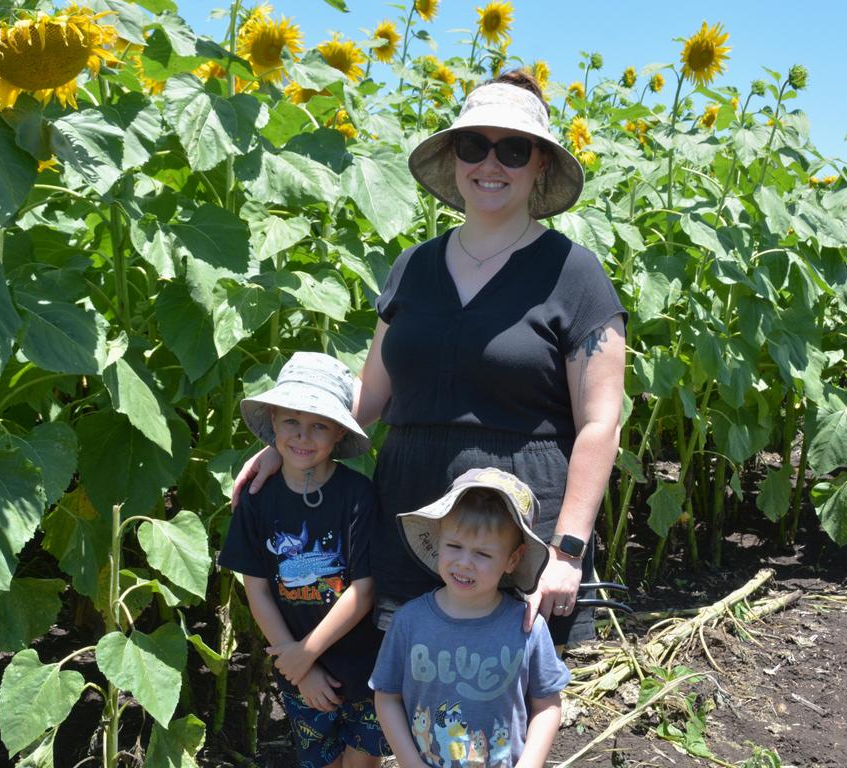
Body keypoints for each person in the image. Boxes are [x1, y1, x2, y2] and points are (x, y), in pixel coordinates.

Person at [234, 69, 627, 646]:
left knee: (506, 693)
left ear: (540, 163)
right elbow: (370, 396)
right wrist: (288, 445)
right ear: (454, 156)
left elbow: (600, 422)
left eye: (513, 150)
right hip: (413, 510)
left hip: (517, 520)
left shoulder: (575, 274)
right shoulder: (412, 268)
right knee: (411, 687)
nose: (490, 165)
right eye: (475, 146)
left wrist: (567, 548)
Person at [218, 352, 389, 768]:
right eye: (292, 421)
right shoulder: (257, 499)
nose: (302, 436)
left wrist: (307, 651)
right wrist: (296, 663)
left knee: (362, 760)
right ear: (273, 422)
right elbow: (255, 586)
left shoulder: (357, 495)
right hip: (295, 662)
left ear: (337, 436)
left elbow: (364, 590)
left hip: (361, 660)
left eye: (319, 426)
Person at [370, 467, 571, 768]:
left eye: (483, 554)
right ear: (438, 541)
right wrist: (410, 762)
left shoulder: (526, 628)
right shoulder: (409, 622)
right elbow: (387, 697)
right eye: (454, 546)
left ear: (512, 560)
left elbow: (547, 705)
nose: (464, 563)